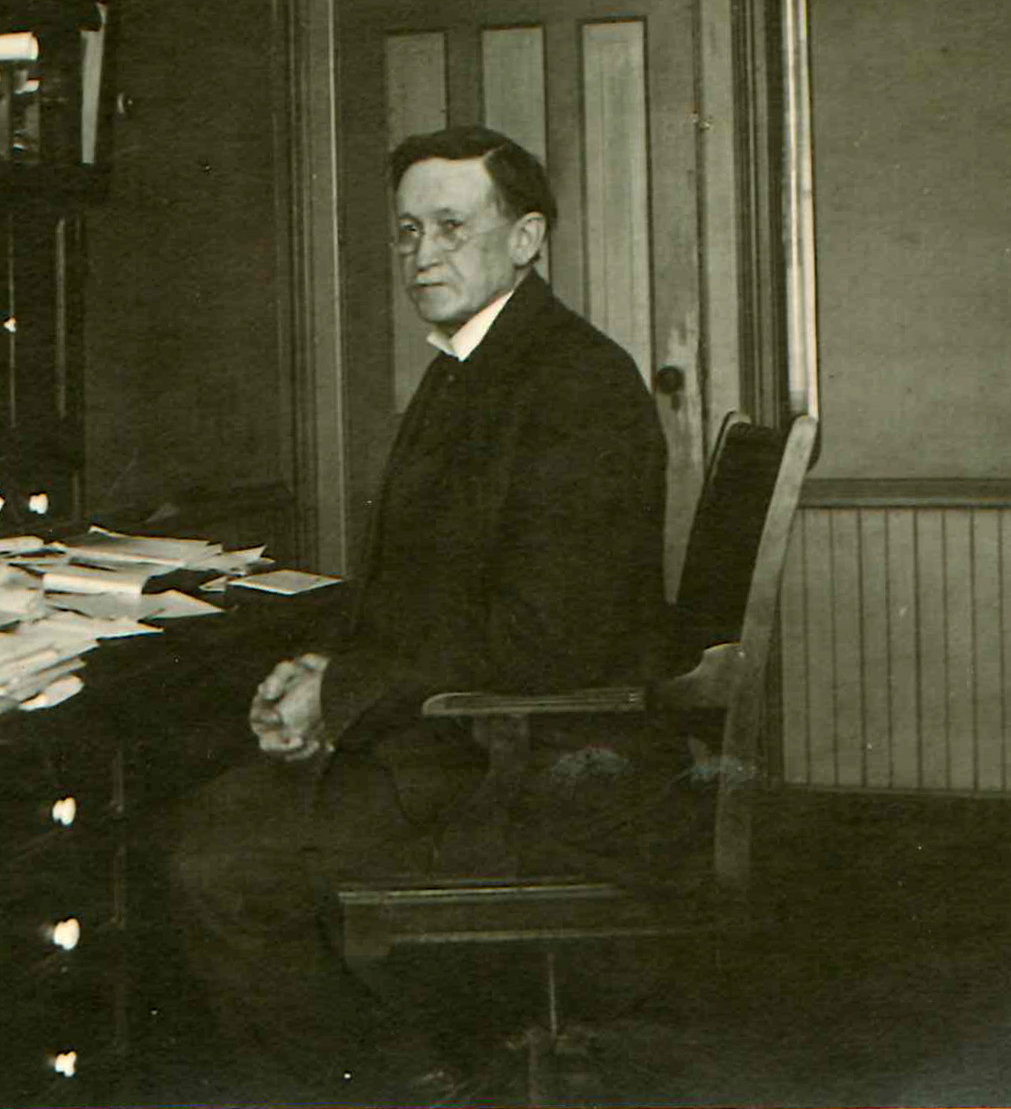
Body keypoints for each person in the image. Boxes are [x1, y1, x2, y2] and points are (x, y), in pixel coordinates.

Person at [168, 126, 680, 1104]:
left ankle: (406, 1088)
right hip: (467, 733)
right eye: (406, 232)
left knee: (216, 863)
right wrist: (320, 667)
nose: (421, 254)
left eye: (450, 225)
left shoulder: (575, 385)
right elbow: (429, 586)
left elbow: (546, 636)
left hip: (531, 764)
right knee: (214, 814)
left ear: (527, 239)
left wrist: (345, 690)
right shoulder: (473, 365)